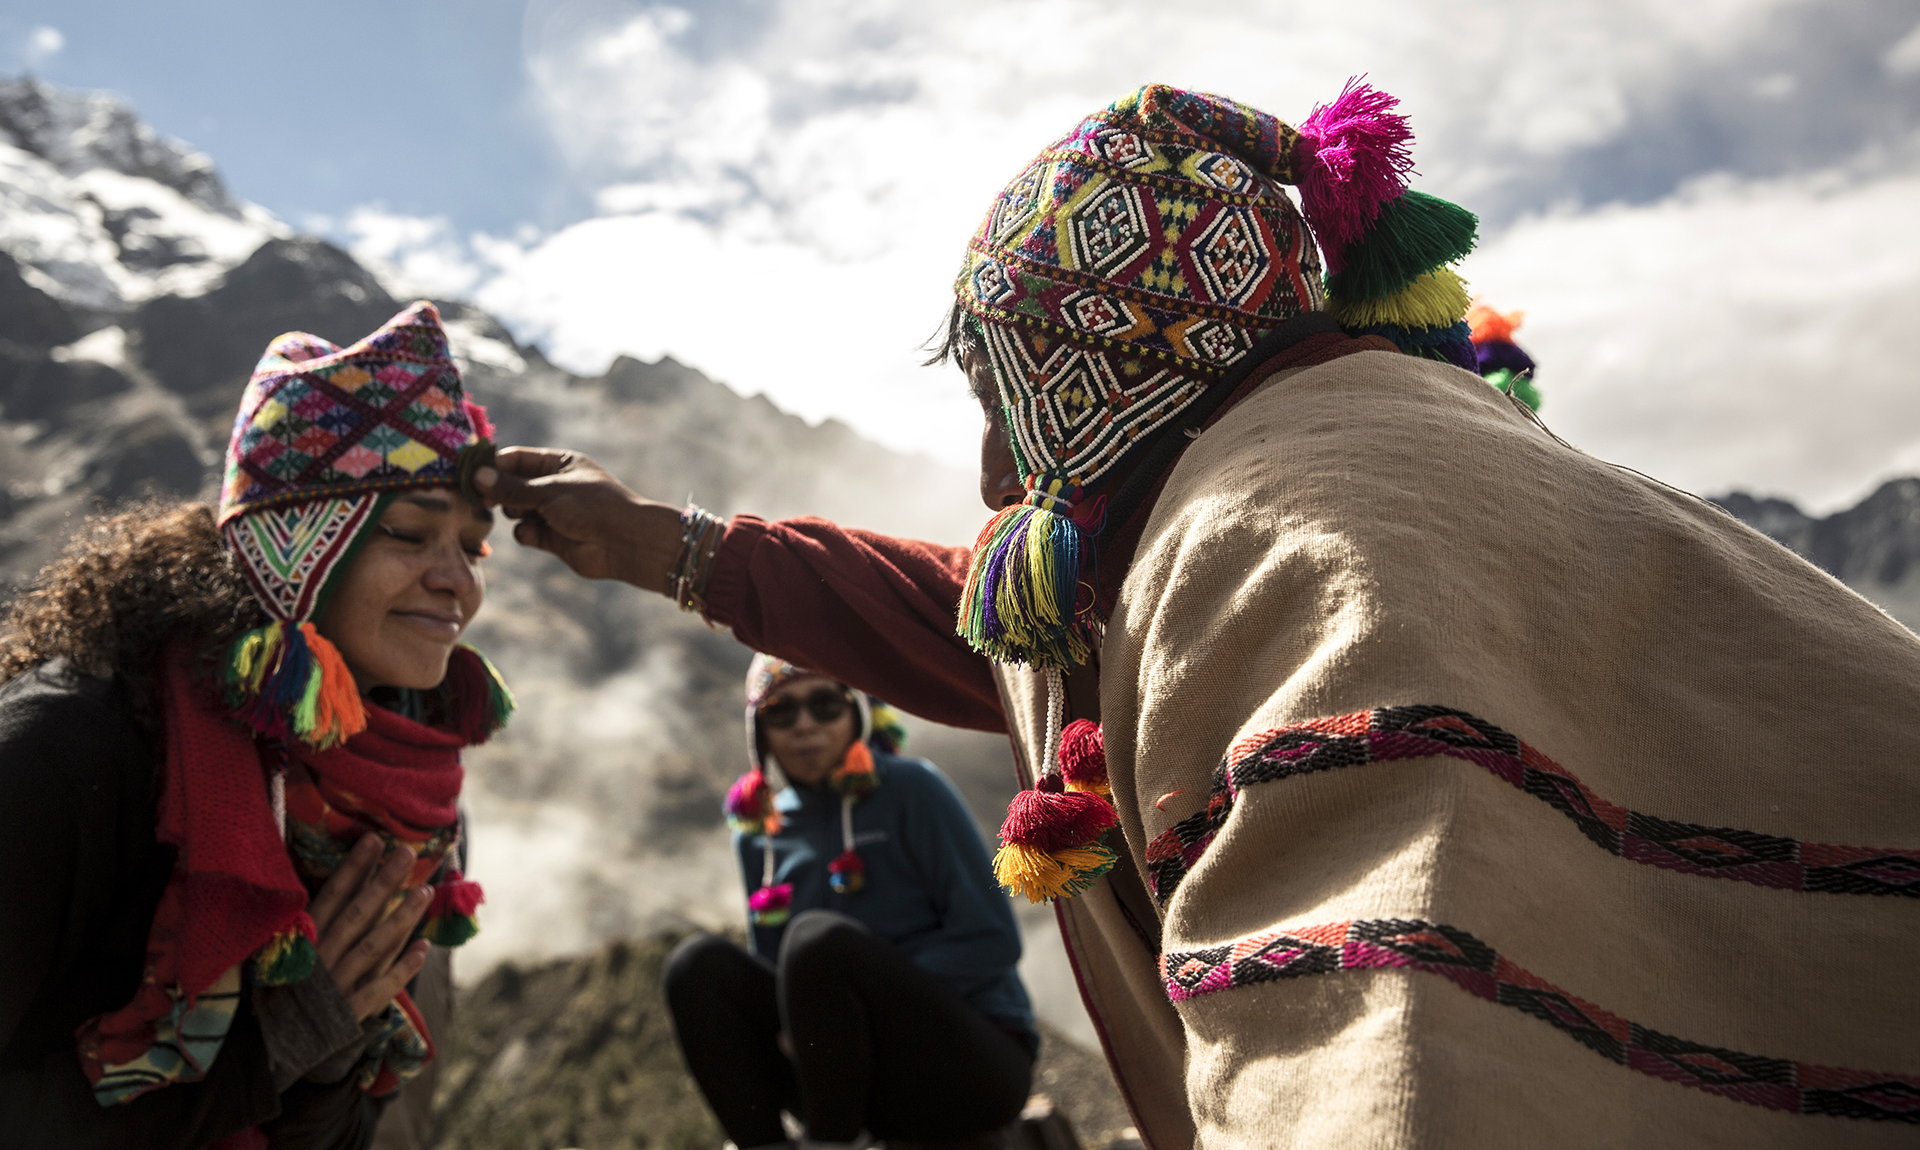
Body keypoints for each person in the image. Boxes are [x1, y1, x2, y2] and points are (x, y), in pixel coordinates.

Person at [479, 83, 1920, 1148]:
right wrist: (673, 548)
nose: (992, 473)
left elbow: (1388, 1051)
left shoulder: (1281, 547)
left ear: (1109, 361)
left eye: (1006, 405)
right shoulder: (1308, 461)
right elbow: (987, 624)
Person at [0, 302, 512, 1149]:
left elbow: (345, 1132)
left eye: (474, 544)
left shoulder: (398, 810)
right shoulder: (72, 752)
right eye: (412, 532)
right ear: (301, 545)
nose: (458, 581)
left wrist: (315, 1060)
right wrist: (263, 1053)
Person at [664, 654, 1035, 1150]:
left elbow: (992, 939)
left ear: (856, 712)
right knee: (696, 966)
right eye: (782, 712)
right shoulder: (760, 834)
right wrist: (821, 1021)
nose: (804, 726)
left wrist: (860, 1002)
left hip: (963, 1066)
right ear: (760, 732)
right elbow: (777, 970)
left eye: (824, 705)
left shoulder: (912, 789)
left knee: (819, 944)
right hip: (840, 1075)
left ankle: (831, 1145)